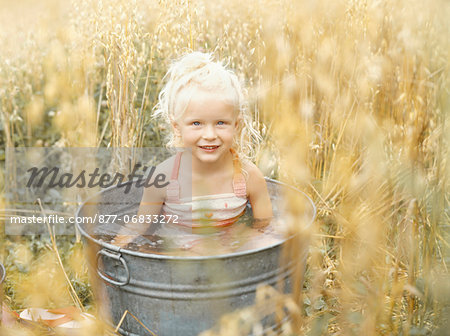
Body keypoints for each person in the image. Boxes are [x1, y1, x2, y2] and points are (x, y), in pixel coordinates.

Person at [114, 52, 273, 249]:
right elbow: (141, 224)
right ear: (176, 127)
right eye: (196, 123)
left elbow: (264, 226)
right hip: (181, 254)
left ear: (236, 125)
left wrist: (241, 243)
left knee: (267, 241)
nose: (209, 134)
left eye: (221, 123)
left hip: (230, 251)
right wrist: (115, 247)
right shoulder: (163, 178)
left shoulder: (249, 176)